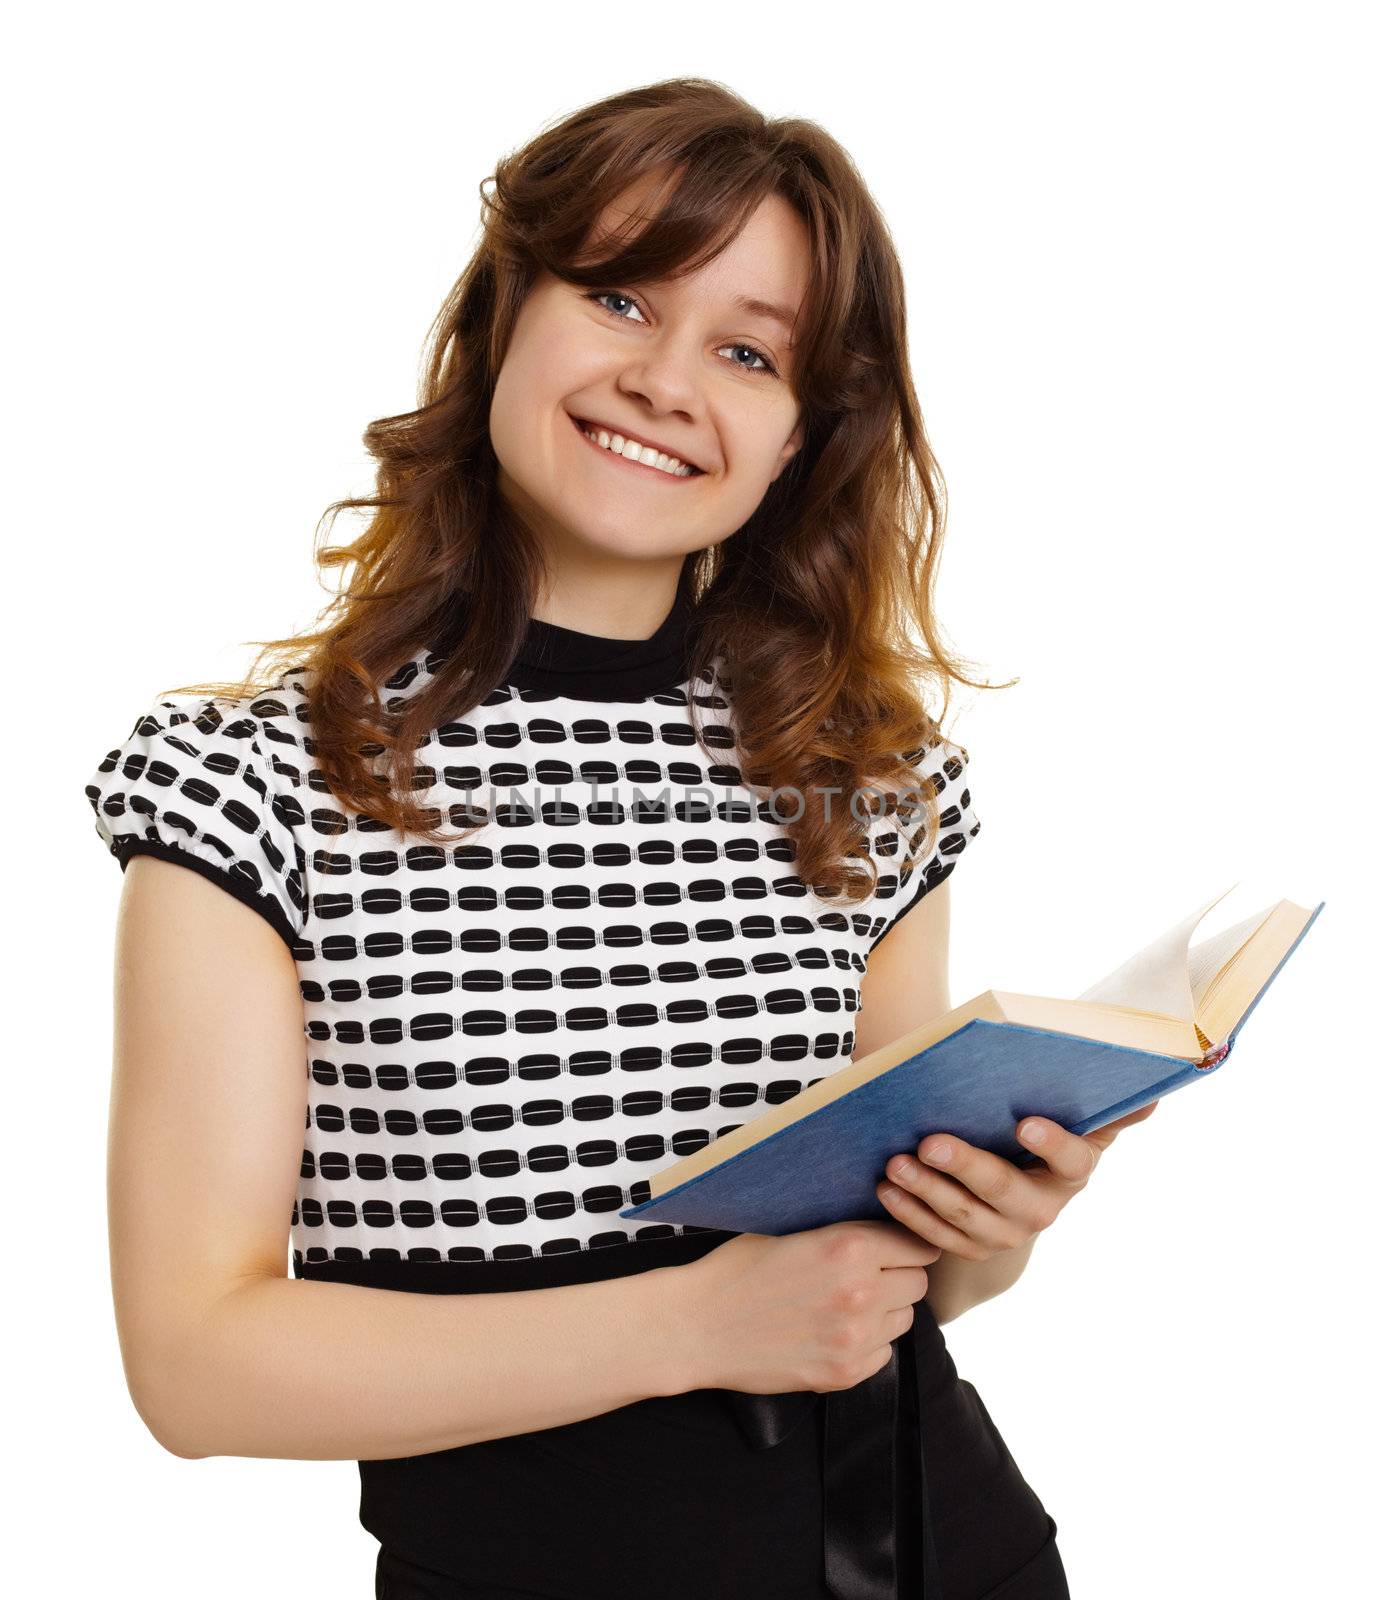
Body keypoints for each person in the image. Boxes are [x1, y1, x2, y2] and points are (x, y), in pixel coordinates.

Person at [79, 77, 1133, 1599]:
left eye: (750, 351)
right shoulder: (248, 788)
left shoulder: (864, 782)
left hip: (931, 1556)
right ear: (507, 313)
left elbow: (902, 1290)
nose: (667, 378)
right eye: (622, 294)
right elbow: (196, 1367)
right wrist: (687, 1326)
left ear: (795, 441)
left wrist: (994, 1222)